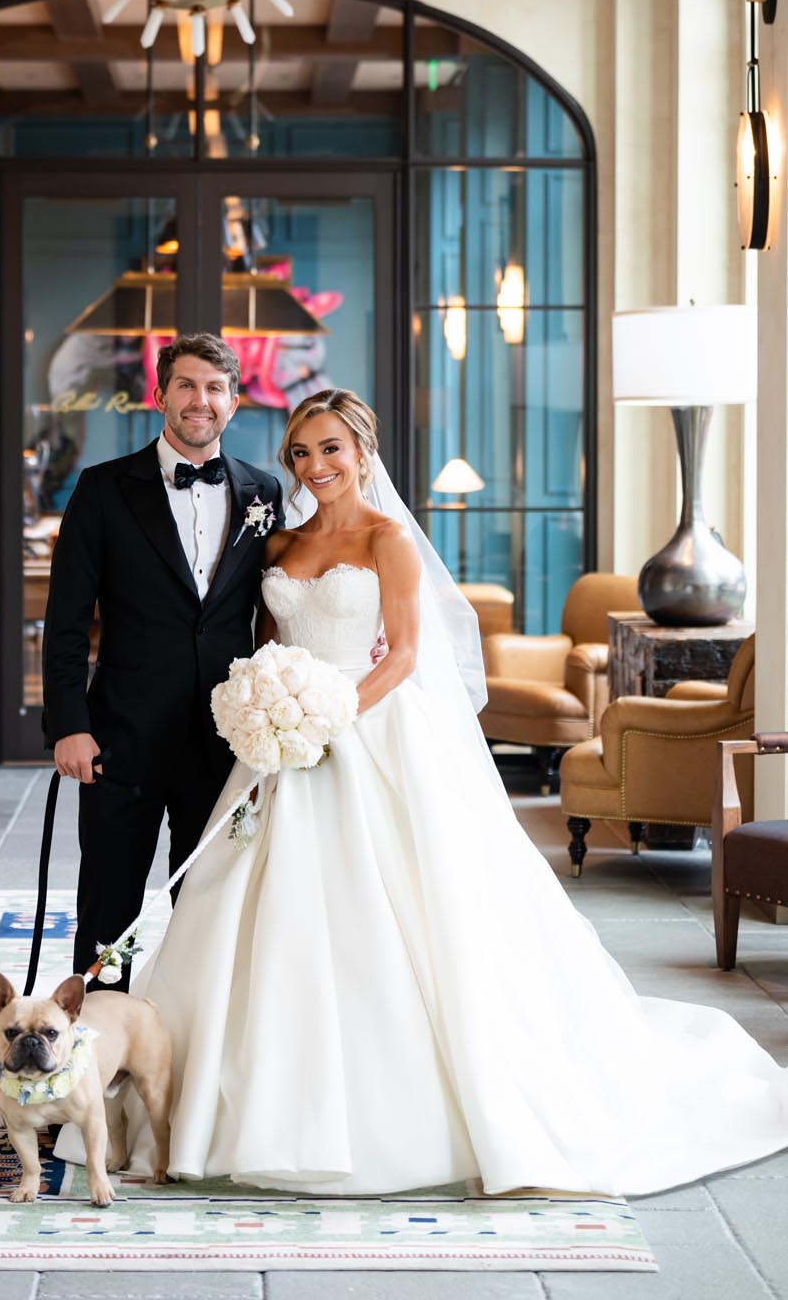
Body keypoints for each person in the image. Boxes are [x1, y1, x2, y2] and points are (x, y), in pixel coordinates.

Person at [59, 387, 788, 1196]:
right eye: (300, 452)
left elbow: (404, 654)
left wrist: (328, 716)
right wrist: (267, 710)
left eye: (330, 448)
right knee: (238, 906)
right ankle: (198, 1101)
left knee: (402, 907)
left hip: (363, 728)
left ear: (360, 452)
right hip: (280, 741)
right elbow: (261, 642)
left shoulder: (389, 539)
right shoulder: (278, 542)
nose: (314, 465)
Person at [41, 333, 283, 984]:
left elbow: (279, 603)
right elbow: (66, 622)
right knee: (110, 904)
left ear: (234, 403)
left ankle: (190, 1025)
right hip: (122, 736)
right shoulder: (102, 489)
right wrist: (68, 724)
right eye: (186, 385)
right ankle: (98, 1026)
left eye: (214, 388)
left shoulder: (263, 492)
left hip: (224, 739)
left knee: (207, 904)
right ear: (159, 396)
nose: (200, 400)